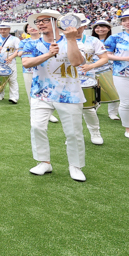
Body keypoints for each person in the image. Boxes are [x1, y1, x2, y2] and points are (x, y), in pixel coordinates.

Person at [21, 9, 87, 182]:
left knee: (73, 132)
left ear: (57, 22)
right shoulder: (31, 44)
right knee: (37, 127)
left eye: (45, 20)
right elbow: (26, 63)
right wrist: (48, 54)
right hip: (40, 92)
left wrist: (71, 39)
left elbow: (76, 62)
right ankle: (44, 162)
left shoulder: (72, 40)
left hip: (69, 93)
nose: (40, 23)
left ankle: (75, 165)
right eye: (38, 21)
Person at [103, 9, 129, 140]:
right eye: (124, 20)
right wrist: (126, 59)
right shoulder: (114, 37)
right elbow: (106, 55)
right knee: (127, 103)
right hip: (122, 75)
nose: (127, 22)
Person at [74, 14, 109, 145]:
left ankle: (95, 132)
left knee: (89, 108)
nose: (77, 28)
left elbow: (104, 58)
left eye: (79, 25)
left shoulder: (93, 41)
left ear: (84, 26)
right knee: (70, 109)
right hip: (67, 79)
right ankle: (73, 136)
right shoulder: (62, 41)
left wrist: (91, 66)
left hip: (87, 79)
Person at [91, 19, 119, 120]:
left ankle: (112, 113)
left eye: (103, 27)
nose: (100, 29)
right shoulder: (90, 40)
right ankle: (92, 110)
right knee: (93, 92)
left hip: (109, 69)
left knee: (113, 91)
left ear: (108, 28)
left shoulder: (114, 40)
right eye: (97, 27)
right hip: (92, 69)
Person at [0, 23, 21, 104]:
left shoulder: (15, 39)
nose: (2, 31)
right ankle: (0, 95)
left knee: (12, 79)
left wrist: (11, 57)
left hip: (10, 62)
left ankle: (14, 97)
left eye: (5, 29)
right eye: (1, 29)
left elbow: (18, 49)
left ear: (9, 29)